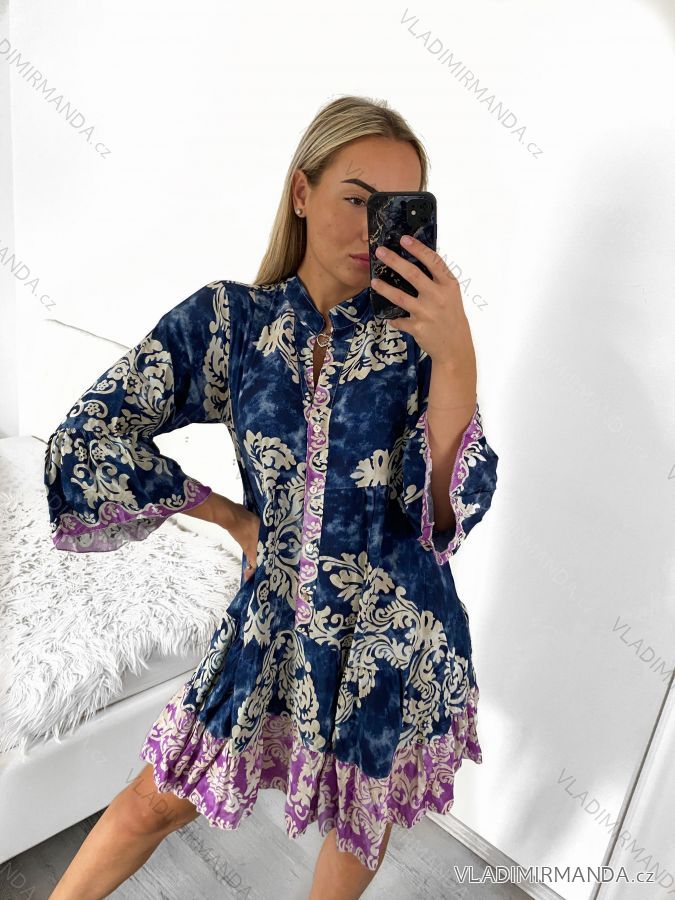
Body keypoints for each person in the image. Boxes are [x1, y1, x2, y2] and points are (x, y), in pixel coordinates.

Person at [44, 94, 499, 900]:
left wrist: (457, 356)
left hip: (393, 634)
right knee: (154, 802)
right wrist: (230, 517)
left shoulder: (424, 338)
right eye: (355, 199)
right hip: (272, 616)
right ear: (301, 192)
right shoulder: (234, 322)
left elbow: (442, 516)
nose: (371, 232)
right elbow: (90, 433)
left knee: (355, 821)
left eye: (394, 212)